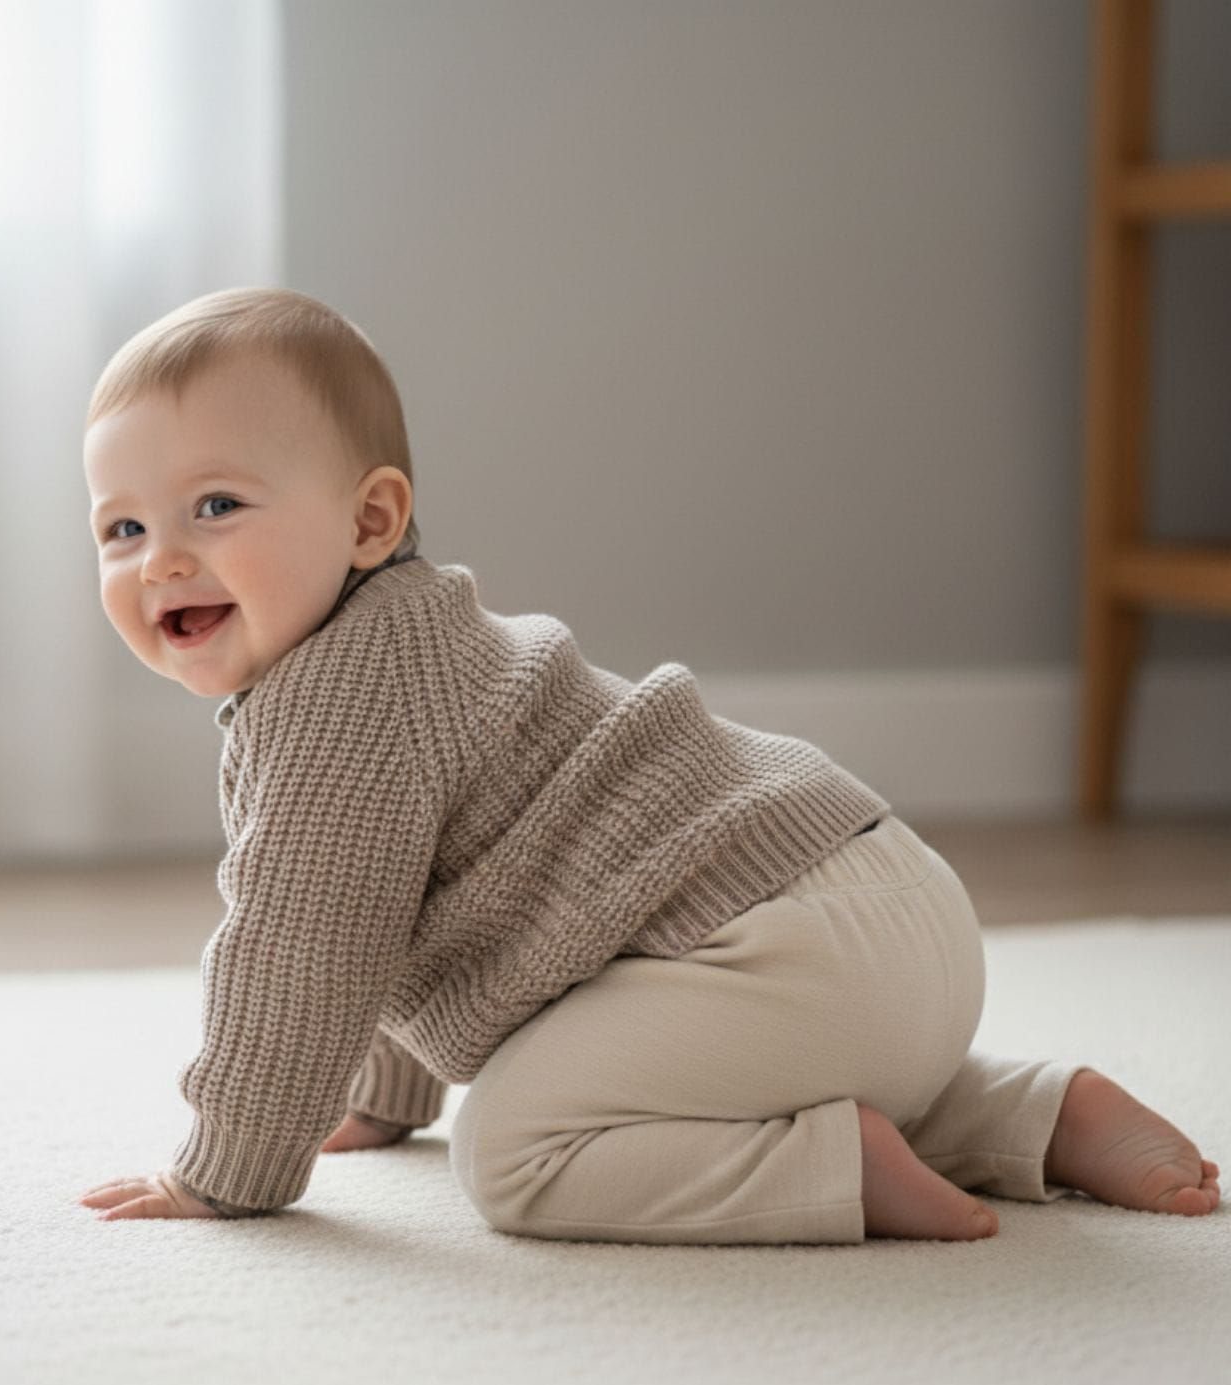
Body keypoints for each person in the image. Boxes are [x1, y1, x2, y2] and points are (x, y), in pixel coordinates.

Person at [77, 286, 1219, 1243]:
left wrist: (228, 1166)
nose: (162, 562)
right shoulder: (413, 643)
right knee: (673, 1065)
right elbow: (396, 913)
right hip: (878, 908)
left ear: (372, 522)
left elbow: (310, 942)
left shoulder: (336, 706)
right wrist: (381, 1098)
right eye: (122, 531)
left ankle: (832, 1169)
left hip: (774, 944)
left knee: (520, 1148)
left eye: (216, 507)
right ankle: (1027, 1115)